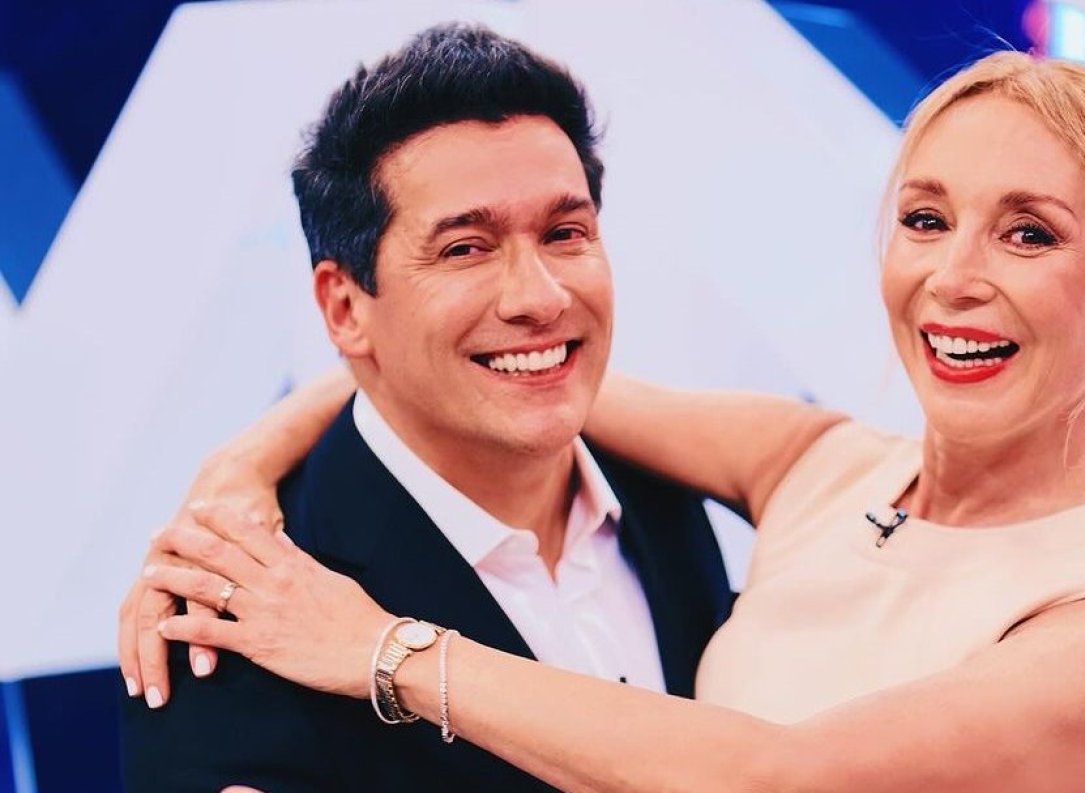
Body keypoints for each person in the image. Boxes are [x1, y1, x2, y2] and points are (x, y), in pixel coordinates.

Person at [130, 49, 1085, 792]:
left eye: (1029, 235)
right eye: (926, 220)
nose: (954, 277)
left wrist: (380, 647)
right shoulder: (814, 466)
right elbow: (487, 375)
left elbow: (778, 779)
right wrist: (238, 475)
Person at [116, 23, 817, 792]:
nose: (540, 297)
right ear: (344, 306)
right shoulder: (231, 615)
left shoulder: (662, 482)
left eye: (565, 232)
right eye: (465, 249)